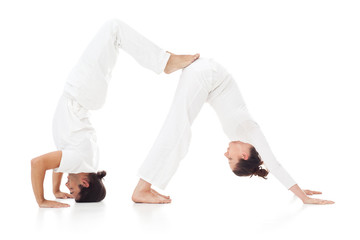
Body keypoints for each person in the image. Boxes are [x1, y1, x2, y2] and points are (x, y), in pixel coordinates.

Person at [30, 19, 200, 208]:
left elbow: (59, 163)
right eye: (72, 189)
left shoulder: (83, 163)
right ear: (85, 183)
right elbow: (38, 163)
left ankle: (164, 61)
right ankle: (165, 62)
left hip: (84, 94)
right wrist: (42, 200)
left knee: (113, 36)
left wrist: (55, 191)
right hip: (81, 91)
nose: (67, 186)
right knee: (114, 29)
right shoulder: (79, 162)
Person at [132, 58, 335, 205]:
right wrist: (302, 196)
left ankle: (145, 187)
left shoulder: (239, 137)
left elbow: (265, 166)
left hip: (204, 75)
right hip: (207, 75)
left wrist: (295, 190)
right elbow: (274, 164)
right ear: (244, 155)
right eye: (230, 159)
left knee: (179, 131)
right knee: (178, 131)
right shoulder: (249, 129)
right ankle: (142, 189)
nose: (225, 154)